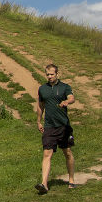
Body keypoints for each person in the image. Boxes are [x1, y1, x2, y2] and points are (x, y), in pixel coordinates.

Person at [36, 63, 76, 194]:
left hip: (63, 126)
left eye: (52, 74)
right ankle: (44, 184)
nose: (49, 76)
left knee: (67, 152)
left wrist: (66, 102)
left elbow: (72, 98)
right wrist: (39, 121)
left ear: (57, 74)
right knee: (47, 154)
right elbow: (41, 105)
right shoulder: (42, 89)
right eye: (47, 74)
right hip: (49, 126)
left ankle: (71, 179)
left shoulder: (65, 87)